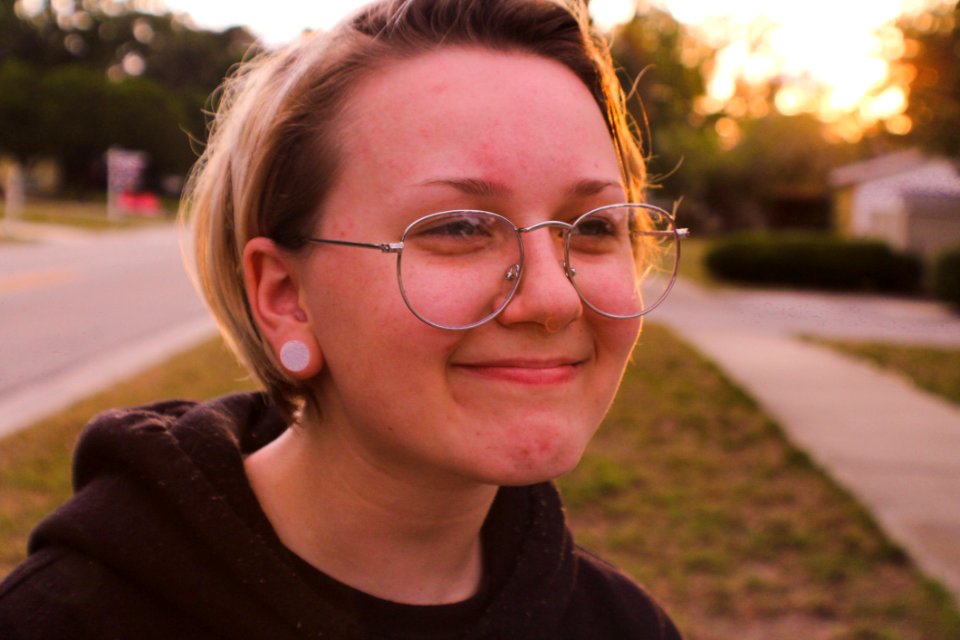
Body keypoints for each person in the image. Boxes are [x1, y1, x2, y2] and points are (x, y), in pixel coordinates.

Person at [0, 0, 687, 637]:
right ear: (286, 296)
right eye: (457, 227)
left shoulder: (623, 625)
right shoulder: (60, 621)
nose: (552, 299)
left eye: (595, 225)